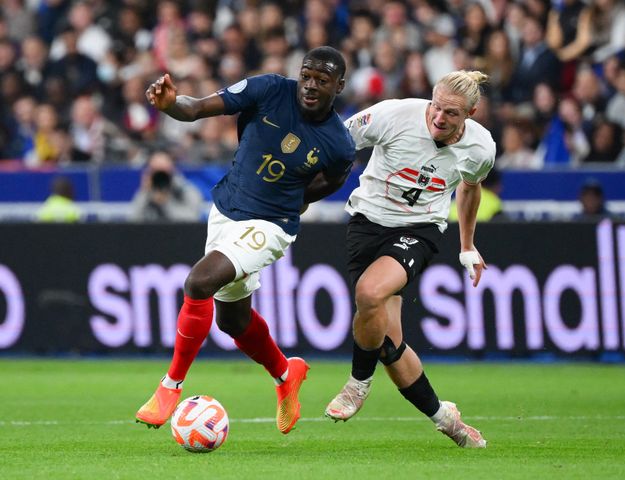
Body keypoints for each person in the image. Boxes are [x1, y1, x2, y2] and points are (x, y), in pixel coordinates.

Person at [135, 46, 356, 435]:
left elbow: (335, 178)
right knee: (233, 322)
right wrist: (170, 104)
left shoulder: (338, 142)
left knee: (199, 282)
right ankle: (286, 373)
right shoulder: (269, 89)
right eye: (306, 75)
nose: (310, 85)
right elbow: (197, 107)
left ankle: (170, 387)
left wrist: (298, 199)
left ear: (339, 86)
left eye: (322, 81)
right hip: (226, 209)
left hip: (271, 225)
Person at [325, 70, 495, 448]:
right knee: (388, 344)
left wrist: (467, 245)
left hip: (418, 231)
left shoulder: (481, 147)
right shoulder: (393, 115)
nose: (439, 117)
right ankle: (446, 420)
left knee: (369, 294)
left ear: (471, 112)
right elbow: (336, 139)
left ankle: (357, 384)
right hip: (366, 224)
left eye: (451, 113)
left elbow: (470, 188)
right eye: (436, 106)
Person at [129, 151, 205, 222]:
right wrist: (145, 192)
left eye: (163, 171)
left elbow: (192, 218)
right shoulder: (147, 192)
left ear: (172, 170)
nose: (160, 177)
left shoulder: (186, 190)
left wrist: (165, 202)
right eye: (155, 171)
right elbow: (134, 219)